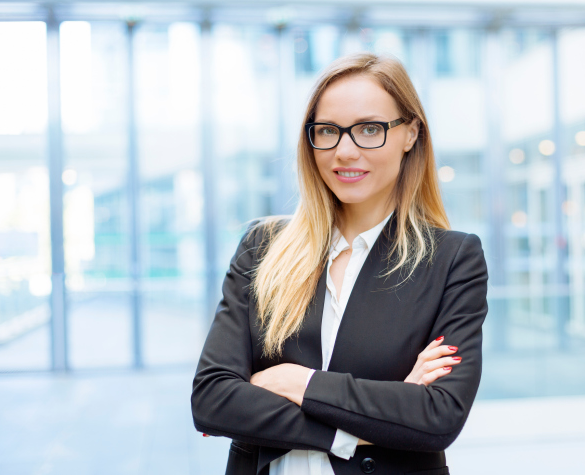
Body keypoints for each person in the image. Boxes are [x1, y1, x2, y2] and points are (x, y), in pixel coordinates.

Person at [191, 52, 489, 475]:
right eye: (328, 131)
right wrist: (362, 426)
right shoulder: (263, 248)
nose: (344, 151)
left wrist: (296, 382)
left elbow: (437, 417)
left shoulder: (451, 259)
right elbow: (212, 400)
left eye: (370, 129)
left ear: (410, 134)